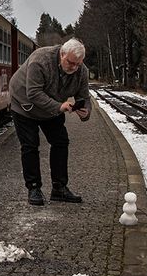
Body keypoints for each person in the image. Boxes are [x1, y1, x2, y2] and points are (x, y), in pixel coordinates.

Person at [9, 37, 91, 206]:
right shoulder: (40, 60)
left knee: (60, 141)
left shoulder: (81, 71)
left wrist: (86, 111)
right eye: (71, 63)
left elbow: (84, 96)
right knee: (30, 145)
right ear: (62, 54)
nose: (74, 68)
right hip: (24, 104)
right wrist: (59, 106)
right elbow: (33, 93)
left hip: (52, 107)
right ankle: (33, 188)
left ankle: (59, 188)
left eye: (78, 64)